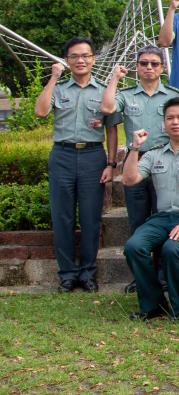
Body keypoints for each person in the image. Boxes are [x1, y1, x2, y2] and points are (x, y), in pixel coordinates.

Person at [34, 38, 121, 293]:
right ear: (67, 60)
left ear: (93, 59)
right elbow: (40, 111)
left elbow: (112, 131)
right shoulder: (59, 89)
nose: (80, 60)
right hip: (62, 155)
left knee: (91, 217)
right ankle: (67, 275)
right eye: (74, 56)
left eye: (85, 56)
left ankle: (87, 273)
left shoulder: (104, 90)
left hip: (93, 157)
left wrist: (111, 163)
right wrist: (52, 78)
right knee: (62, 217)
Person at [121, 97, 179, 321]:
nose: (175, 122)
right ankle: (153, 304)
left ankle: (178, 309)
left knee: (172, 249)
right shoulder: (154, 153)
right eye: (170, 118)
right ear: (163, 124)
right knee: (134, 246)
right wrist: (135, 148)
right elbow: (129, 179)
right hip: (162, 218)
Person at [100, 46, 179, 293]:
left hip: (164, 160)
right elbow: (107, 108)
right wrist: (114, 78)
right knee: (137, 220)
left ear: (162, 68)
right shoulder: (126, 95)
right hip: (136, 159)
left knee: (163, 217)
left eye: (155, 64)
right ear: (137, 67)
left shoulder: (171, 95)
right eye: (144, 63)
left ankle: (163, 275)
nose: (149, 68)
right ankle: (142, 276)